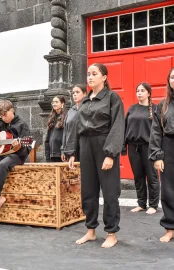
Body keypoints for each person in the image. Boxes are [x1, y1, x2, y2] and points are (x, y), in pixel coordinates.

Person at [68, 63, 124, 248]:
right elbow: (77, 128)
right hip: (85, 146)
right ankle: (91, 230)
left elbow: (117, 127)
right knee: (88, 190)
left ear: (104, 77)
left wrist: (110, 154)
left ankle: (111, 233)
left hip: (104, 144)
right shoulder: (84, 101)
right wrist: (72, 152)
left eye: (94, 74)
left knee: (109, 191)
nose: (90, 77)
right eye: (88, 74)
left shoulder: (112, 98)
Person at [122, 83, 159, 214]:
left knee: (152, 176)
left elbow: (159, 130)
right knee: (138, 177)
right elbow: (125, 128)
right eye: (137, 91)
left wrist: (158, 149)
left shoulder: (155, 109)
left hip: (149, 147)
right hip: (133, 147)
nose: (139, 93)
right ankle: (141, 203)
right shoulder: (132, 109)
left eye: (142, 91)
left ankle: (153, 205)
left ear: (149, 93)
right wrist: (123, 146)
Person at [149, 67, 174, 242]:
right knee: (168, 191)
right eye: (172, 77)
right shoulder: (162, 105)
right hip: (169, 147)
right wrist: (157, 155)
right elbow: (156, 132)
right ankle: (170, 227)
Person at [61, 84, 87, 161]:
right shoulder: (70, 111)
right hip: (70, 149)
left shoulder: (87, 109)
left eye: (77, 92)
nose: (75, 94)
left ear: (85, 94)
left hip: (83, 148)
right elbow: (65, 132)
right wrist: (63, 150)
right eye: (73, 93)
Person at [45, 95, 66, 162]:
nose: (54, 104)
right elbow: (47, 140)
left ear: (62, 103)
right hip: (52, 155)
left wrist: (64, 152)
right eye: (53, 102)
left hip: (62, 154)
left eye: (56, 102)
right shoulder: (51, 119)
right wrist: (47, 157)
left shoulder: (66, 117)